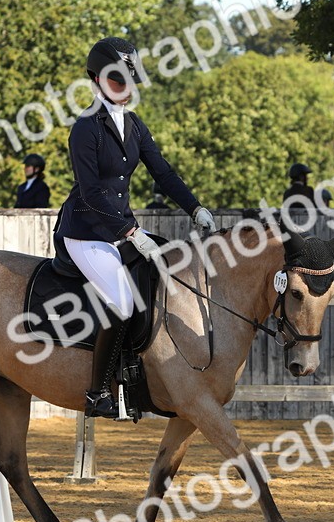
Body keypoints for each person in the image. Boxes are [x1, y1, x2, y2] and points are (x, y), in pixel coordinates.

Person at [54, 36, 216, 419]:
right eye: (116, 80)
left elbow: (163, 172)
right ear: (95, 79)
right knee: (122, 301)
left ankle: (136, 380)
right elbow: (92, 192)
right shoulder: (85, 129)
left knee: (160, 275)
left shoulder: (135, 125)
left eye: (129, 79)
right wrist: (130, 231)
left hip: (119, 230)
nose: (125, 87)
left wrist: (194, 208)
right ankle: (96, 394)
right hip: (86, 232)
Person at [282, 162, 331, 234]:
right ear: (301, 177)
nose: (307, 178)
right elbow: (314, 208)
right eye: (305, 175)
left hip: (291, 228)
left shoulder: (287, 193)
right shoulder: (308, 190)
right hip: (307, 227)